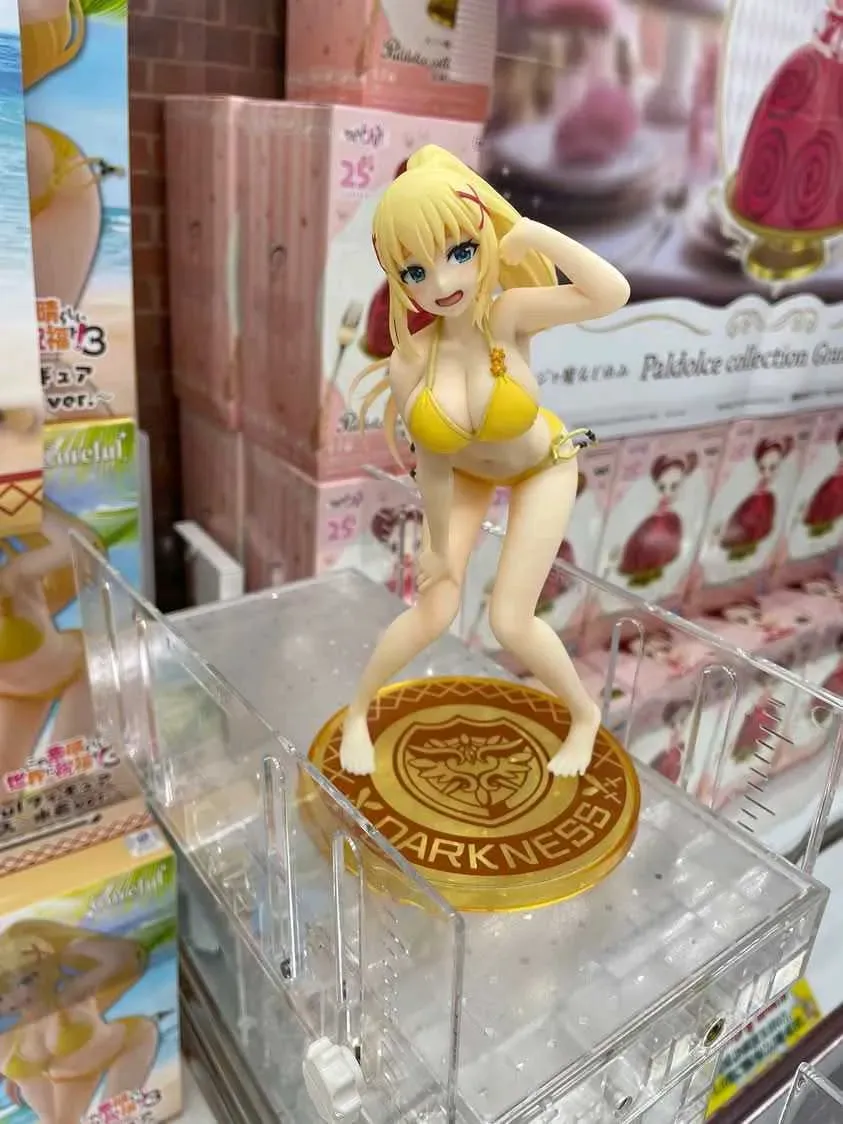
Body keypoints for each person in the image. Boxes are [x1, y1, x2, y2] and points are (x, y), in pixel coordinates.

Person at [343, 144, 629, 777]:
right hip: (465, 477)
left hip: (543, 466)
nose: (442, 283)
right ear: (396, 275)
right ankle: (358, 710)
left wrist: (537, 235)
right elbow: (434, 464)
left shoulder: (509, 315)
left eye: (460, 253)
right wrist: (437, 548)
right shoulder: (411, 359)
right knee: (433, 610)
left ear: (483, 238)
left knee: (510, 621)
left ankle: (585, 714)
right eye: (415, 270)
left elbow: (612, 292)